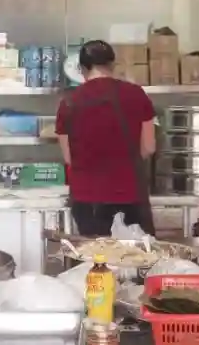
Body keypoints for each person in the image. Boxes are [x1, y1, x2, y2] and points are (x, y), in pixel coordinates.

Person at [55, 40, 158, 236]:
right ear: (112, 65)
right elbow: (148, 147)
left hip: (87, 199)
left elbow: (69, 157)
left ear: (82, 69)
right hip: (130, 196)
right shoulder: (136, 94)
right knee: (135, 253)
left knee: (97, 253)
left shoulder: (68, 102)